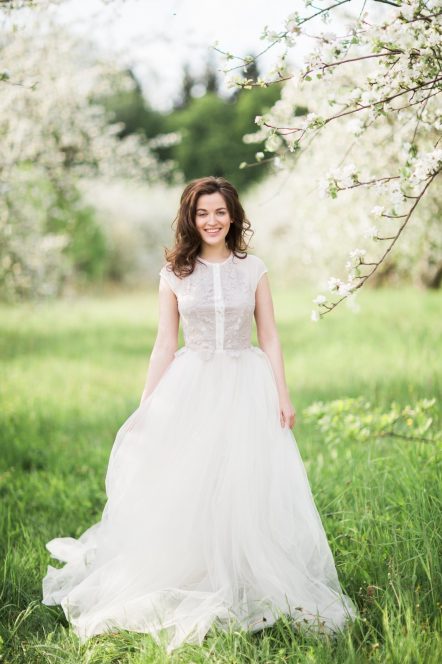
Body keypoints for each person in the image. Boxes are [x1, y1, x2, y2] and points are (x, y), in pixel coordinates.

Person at [42, 176, 358, 654]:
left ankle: (245, 570)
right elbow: (164, 344)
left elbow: (269, 335)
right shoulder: (174, 273)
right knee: (189, 480)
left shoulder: (253, 269)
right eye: (203, 213)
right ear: (191, 218)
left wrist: (282, 394)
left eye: (220, 212)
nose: (212, 221)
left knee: (243, 481)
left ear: (234, 217)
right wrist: (148, 406)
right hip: (191, 384)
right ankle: (195, 569)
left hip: (245, 383)